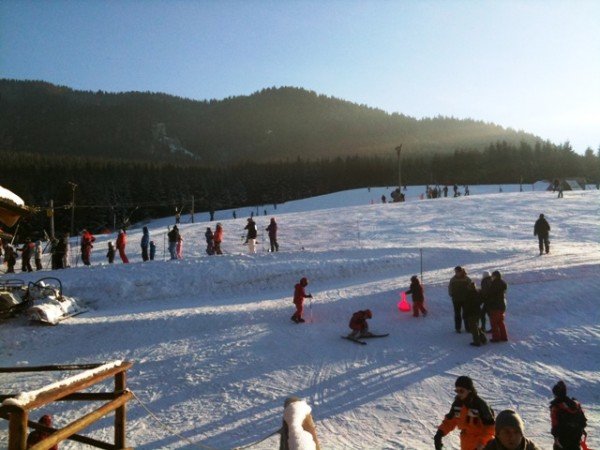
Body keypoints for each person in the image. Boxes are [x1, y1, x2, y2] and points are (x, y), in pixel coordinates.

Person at [434, 376, 495, 450]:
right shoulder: (457, 404)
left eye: (461, 391)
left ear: (469, 390)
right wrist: (439, 434)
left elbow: (490, 428)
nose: (459, 393)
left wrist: (481, 443)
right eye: (457, 391)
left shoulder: (479, 405)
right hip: (466, 443)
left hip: (481, 444)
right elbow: (450, 421)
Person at [550, 381, 588, 450]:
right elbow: (583, 422)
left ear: (556, 394)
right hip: (576, 439)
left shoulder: (556, 407)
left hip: (562, 441)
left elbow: (555, 425)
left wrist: (555, 436)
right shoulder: (576, 404)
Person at [448, 266, 472, 333]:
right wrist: (451, 294)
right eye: (455, 272)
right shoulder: (453, 279)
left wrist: (470, 295)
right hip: (456, 300)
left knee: (466, 314)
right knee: (457, 314)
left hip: (465, 299)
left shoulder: (467, 279)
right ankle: (458, 328)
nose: (456, 273)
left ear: (461, 271)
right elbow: (450, 288)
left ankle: (468, 327)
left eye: (457, 272)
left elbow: (471, 287)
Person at [464, 282, 487, 346]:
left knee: (473, 328)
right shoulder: (478, 292)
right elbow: (482, 299)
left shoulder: (469, 294)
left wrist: (465, 314)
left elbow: (467, 305)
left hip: (471, 313)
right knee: (476, 326)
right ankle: (483, 339)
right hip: (478, 311)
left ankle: (477, 341)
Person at [488, 270, 508, 342]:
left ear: (495, 276)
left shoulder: (494, 284)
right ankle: (504, 336)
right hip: (502, 305)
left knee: (494, 323)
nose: (492, 278)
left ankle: (496, 338)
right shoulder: (503, 283)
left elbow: (490, 294)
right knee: (500, 322)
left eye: (492, 276)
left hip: (495, 306)